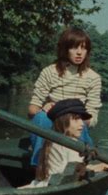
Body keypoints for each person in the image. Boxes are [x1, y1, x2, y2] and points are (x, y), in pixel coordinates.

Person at [28, 26, 102, 166]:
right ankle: (40, 167)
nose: (79, 53)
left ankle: (81, 162)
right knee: (41, 117)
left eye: (84, 48)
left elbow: (92, 118)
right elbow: (32, 110)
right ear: (65, 49)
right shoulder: (49, 72)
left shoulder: (94, 78)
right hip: (50, 122)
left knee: (75, 122)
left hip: (77, 125)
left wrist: (71, 115)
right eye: (74, 48)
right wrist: (44, 108)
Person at [21, 99, 108, 188]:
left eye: (81, 119)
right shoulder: (68, 145)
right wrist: (103, 166)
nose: (82, 124)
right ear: (63, 122)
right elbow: (76, 171)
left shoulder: (53, 139)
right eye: (76, 119)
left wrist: (104, 166)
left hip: (41, 184)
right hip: (51, 186)